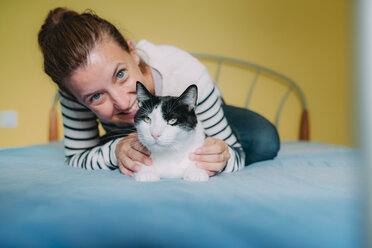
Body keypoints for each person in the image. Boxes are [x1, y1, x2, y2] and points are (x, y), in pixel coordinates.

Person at [38, 7, 280, 178]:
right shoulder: (74, 88)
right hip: (131, 134)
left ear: (132, 51)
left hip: (194, 114)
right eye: (96, 97)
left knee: (263, 138)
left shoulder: (186, 73)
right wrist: (116, 150)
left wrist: (221, 156)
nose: (123, 102)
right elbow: (77, 157)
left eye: (120, 74)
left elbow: (234, 156)